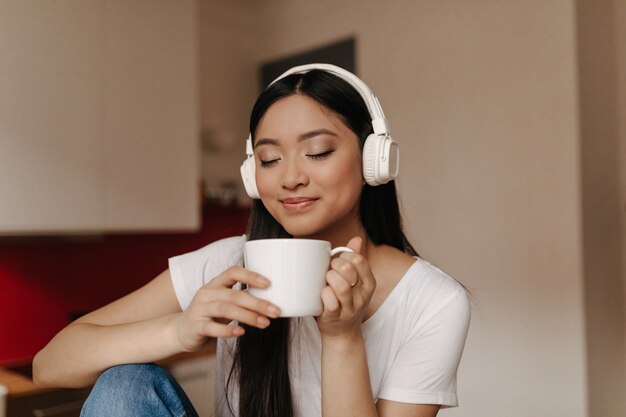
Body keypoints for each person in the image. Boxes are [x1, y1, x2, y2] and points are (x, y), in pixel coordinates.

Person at [33, 63, 471, 417]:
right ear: (252, 173)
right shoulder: (229, 261)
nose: (291, 178)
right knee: (124, 385)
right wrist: (181, 329)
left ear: (374, 160)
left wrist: (343, 339)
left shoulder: (433, 302)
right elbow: (48, 365)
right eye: (269, 159)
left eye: (317, 152)